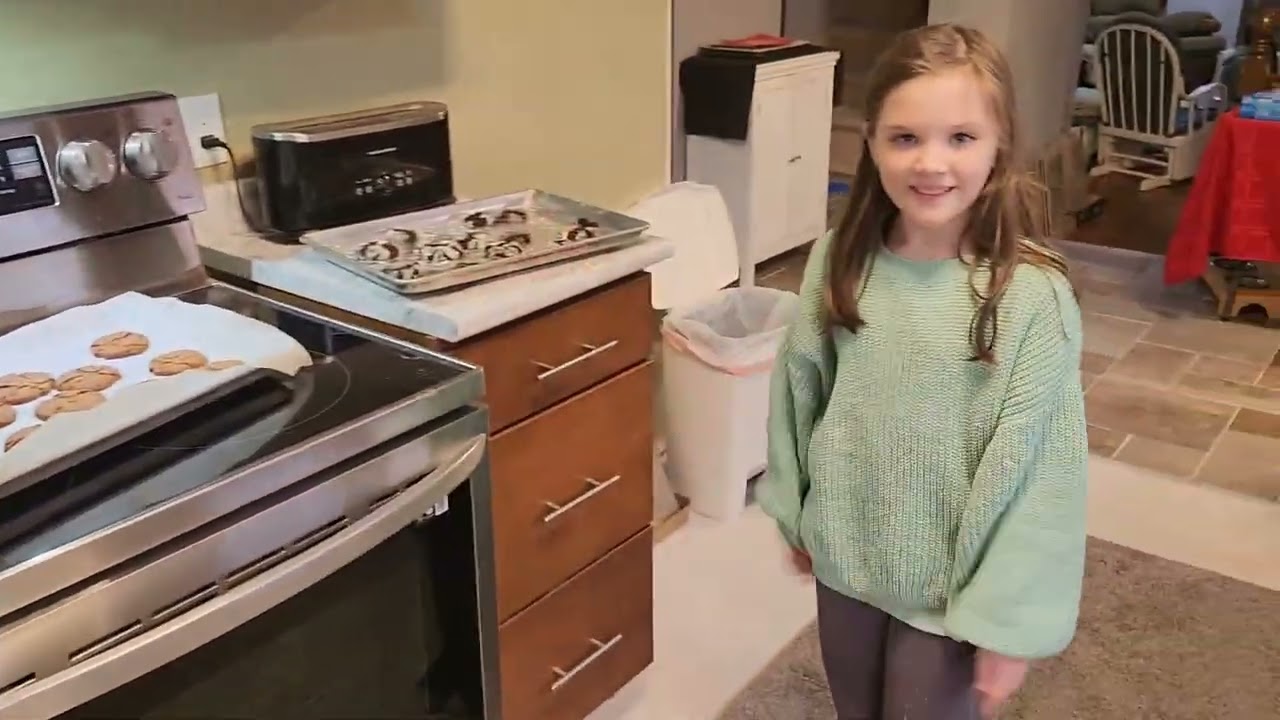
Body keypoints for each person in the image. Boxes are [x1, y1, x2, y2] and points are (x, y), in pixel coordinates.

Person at [757, 23, 1089, 720]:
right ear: (871, 141)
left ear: (999, 147)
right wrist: (797, 515)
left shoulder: (1031, 296)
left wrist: (1008, 625)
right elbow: (798, 397)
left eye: (961, 138)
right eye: (905, 138)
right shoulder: (838, 261)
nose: (931, 163)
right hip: (847, 562)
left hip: (949, 593)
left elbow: (1043, 477)